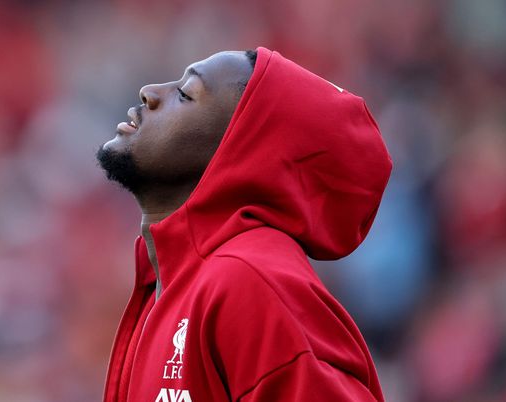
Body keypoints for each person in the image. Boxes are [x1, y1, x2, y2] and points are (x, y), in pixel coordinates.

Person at [96, 47, 392, 402]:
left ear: (238, 151)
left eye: (186, 93)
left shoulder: (250, 280)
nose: (150, 91)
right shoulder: (176, 283)